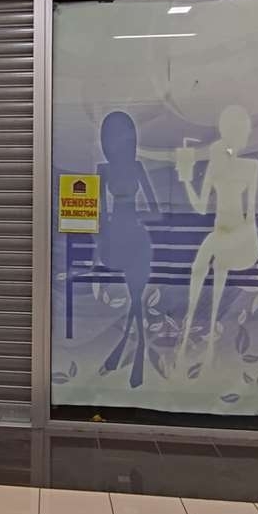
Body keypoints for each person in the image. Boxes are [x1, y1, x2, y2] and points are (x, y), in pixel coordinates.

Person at [173, 106, 258, 370]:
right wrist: (186, 180)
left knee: (209, 262)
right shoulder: (215, 166)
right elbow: (201, 208)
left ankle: (205, 340)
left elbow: (252, 215)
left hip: (240, 238)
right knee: (204, 266)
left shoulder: (251, 166)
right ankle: (189, 334)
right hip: (220, 234)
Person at [95, 111, 160, 388]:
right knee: (135, 297)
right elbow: (98, 213)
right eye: (114, 136)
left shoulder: (137, 167)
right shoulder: (104, 170)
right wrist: (106, 232)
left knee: (135, 296)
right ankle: (134, 346)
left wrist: (136, 218)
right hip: (115, 240)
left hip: (135, 236)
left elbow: (156, 211)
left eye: (123, 136)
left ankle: (132, 347)